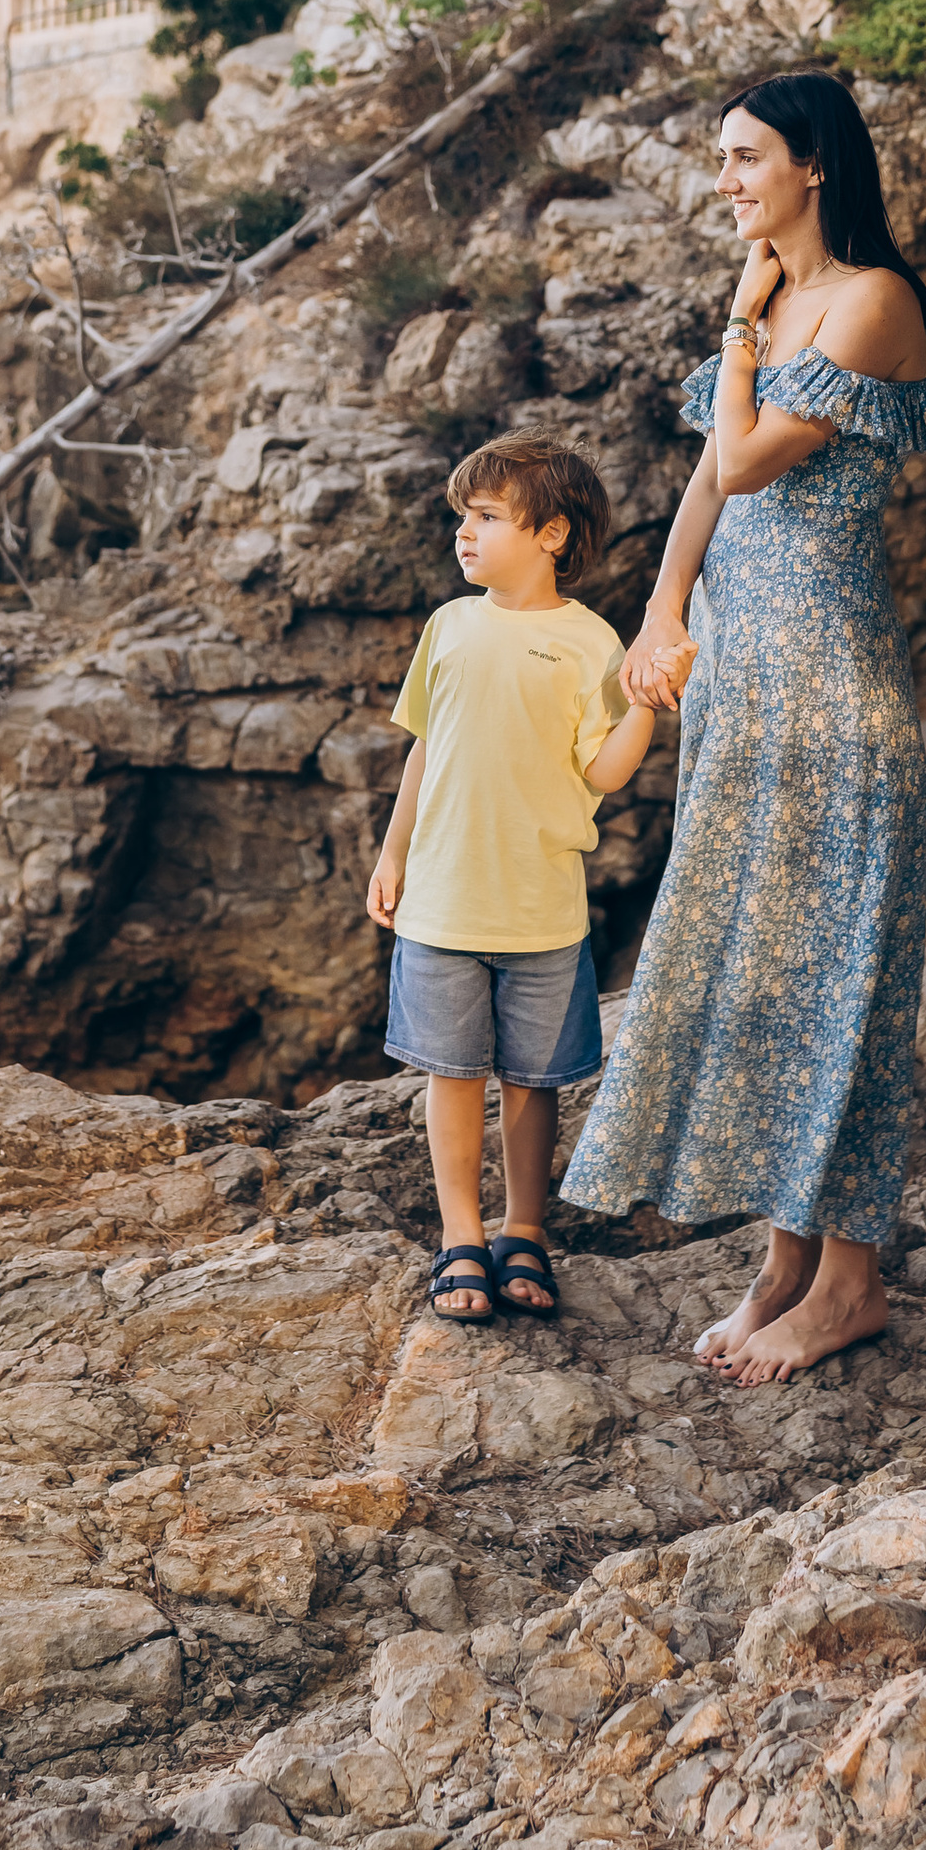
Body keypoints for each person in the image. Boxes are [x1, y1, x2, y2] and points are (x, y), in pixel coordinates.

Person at [562, 71, 926, 1383]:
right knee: (771, 963)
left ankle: (850, 1282)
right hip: (741, 666)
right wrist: (658, 612)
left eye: (745, 157)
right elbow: (704, 483)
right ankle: (787, 1265)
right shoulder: (783, 300)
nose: (726, 179)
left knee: (836, 965)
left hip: (830, 677)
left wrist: (741, 322)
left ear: (814, 165)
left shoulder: (871, 300)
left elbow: (746, 460)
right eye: (722, 158)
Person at [366, 433, 674, 1325]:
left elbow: (603, 770)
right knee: (454, 1075)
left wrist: (645, 706)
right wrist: (393, 853)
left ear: (552, 534)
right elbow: (427, 748)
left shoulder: (590, 642)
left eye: (487, 516)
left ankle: (523, 1230)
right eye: (463, 517)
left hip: (543, 909)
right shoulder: (449, 625)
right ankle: (461, 1235)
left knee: (533, 1083)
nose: (465, 533)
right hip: (442, 901)